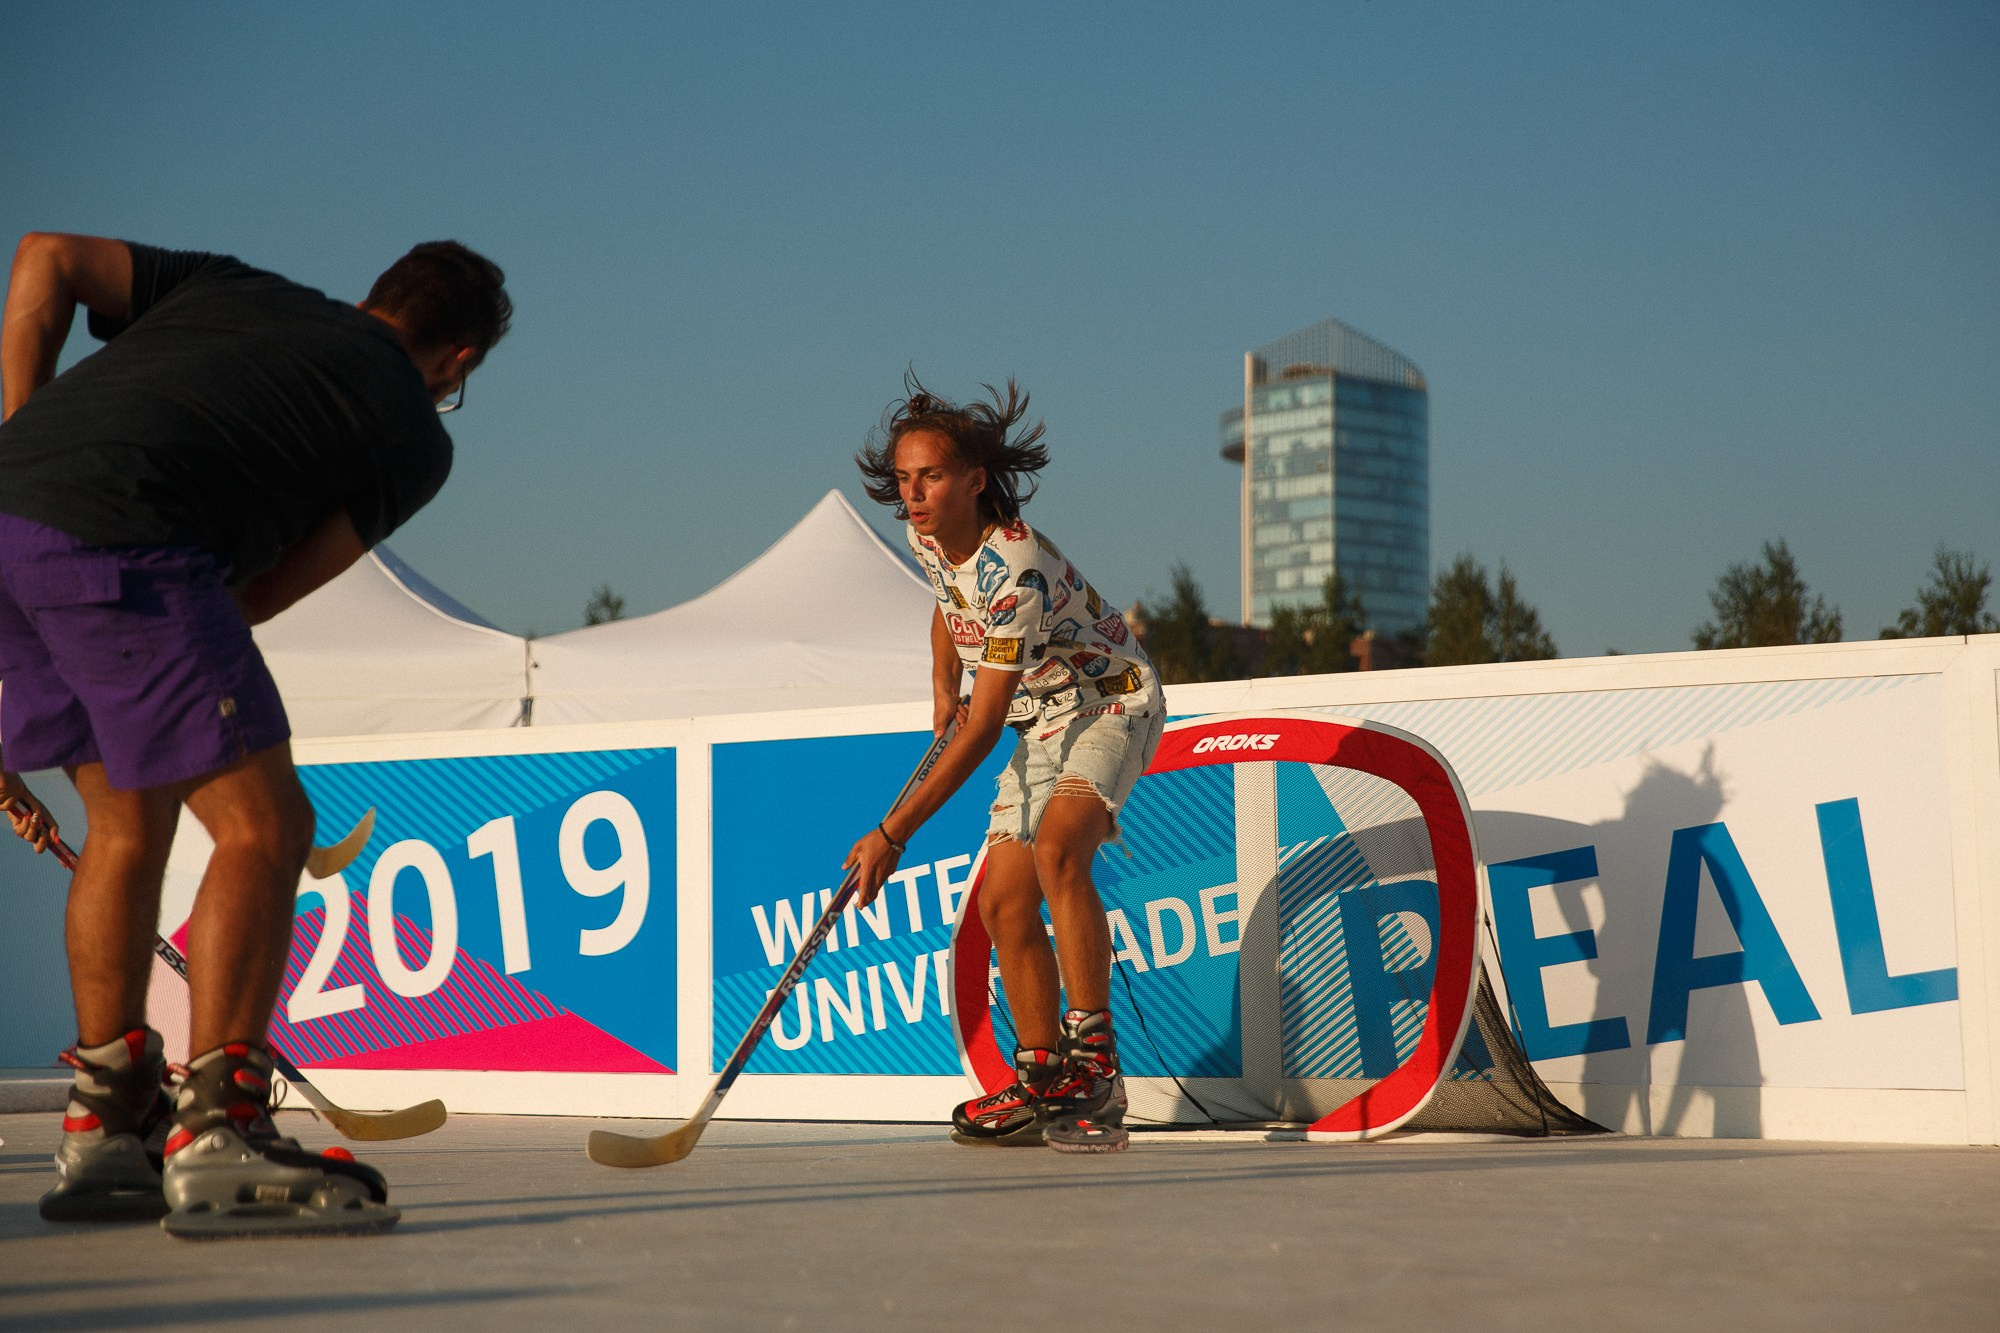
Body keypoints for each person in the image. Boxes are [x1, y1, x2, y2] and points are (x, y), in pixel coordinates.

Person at [0, 232, 509, 1236]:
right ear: (458, 360)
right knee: (265, 826)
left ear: (380, 294)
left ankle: (108, 1121)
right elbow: (264, 592)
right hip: (128, 533)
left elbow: (45, 257)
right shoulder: (411, 425)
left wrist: (25, 435)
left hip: (9, 521)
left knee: (126, 820)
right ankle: (218, 1130)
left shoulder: (232, 284)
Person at [847, 377, 1164, 1153]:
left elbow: (984, 727)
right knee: (1004, 904)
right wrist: (940, 687)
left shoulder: (1016, 568)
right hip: (1040, 719)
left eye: (931, 477)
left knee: (1059, 849)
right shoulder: (929, 537)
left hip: (1109, 700)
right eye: (905, 479)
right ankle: (1040, 1077)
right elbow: (945, 601)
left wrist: (893, 832)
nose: (913, 496)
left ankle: (1095, 1067)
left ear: (974, 480)